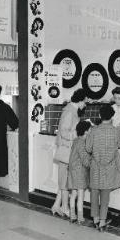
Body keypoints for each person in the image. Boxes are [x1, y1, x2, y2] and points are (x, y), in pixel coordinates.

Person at [86, 104, 120, 231]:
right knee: (105, 194)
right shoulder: (116, 131)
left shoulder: (93, 131)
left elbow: (88, 148)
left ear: (99, 116)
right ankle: (102, 221)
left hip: (95, 166)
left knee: (94, 192)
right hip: (109, 167)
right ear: (112, 116)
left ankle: (95, 219)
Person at [51, 88, 88, 217]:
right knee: (65, 181)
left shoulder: (72, 110)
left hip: (68, 150)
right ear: (80, 100)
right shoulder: (70, 112)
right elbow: (64, 132)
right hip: (66, 150)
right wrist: (78, 132)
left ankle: (56, 205)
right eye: (85, 101)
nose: (85, 104)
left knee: (64, 180)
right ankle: (65, 208)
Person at [67, 120, 92, 224]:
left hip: (72, 170)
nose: (91, 131)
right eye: (90, 129)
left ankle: (72, 215)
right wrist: (91, 164)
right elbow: (84, 159)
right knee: (81, 194)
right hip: (79, 171)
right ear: (86, 131)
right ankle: (80, 217)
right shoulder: (82, 142)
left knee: (74, 193)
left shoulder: (76, 140)